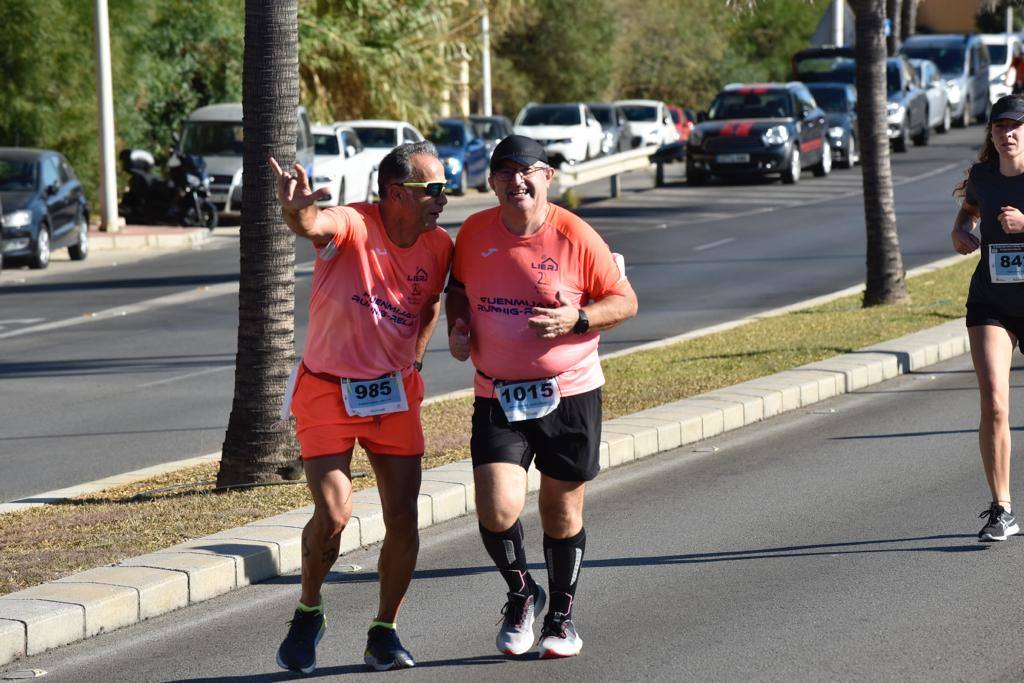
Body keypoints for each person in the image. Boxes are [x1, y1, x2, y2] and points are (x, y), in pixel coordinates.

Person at [445, 135, 638, 658]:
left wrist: (578, 318)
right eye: (504, 173)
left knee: (560, 510)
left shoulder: (576, 236)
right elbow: (458, 287)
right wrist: (457, 326)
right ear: (492, 183)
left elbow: (624, 301)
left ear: (547, 177)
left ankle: (561, 617)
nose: (516, 181)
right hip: (497, 393)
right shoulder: (474, 233)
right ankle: (521, 592)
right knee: (496, 505)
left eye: (526, 171)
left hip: (569, 391)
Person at [269, 140, 453, 672]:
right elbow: (313, 226)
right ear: (396, 193)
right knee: (333, 512)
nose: (442, 198)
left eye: (443, 187)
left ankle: (384, 630)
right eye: (432, 189)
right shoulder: (354, 225)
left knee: (403, 518)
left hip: (393, 395)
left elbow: (433, 301)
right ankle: (309, 611)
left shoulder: (438, 245)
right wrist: (296, 209)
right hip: (328, 388)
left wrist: (413, 363)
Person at [952, 95, 1024, 542]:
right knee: (995, 402)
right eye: (1000, 127)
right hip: (992, 302)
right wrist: (961, 229)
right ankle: (1002, 509)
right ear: (991, 135)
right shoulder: (982, 177)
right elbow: (971, 209)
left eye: (1016, 126)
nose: (1008, 134)